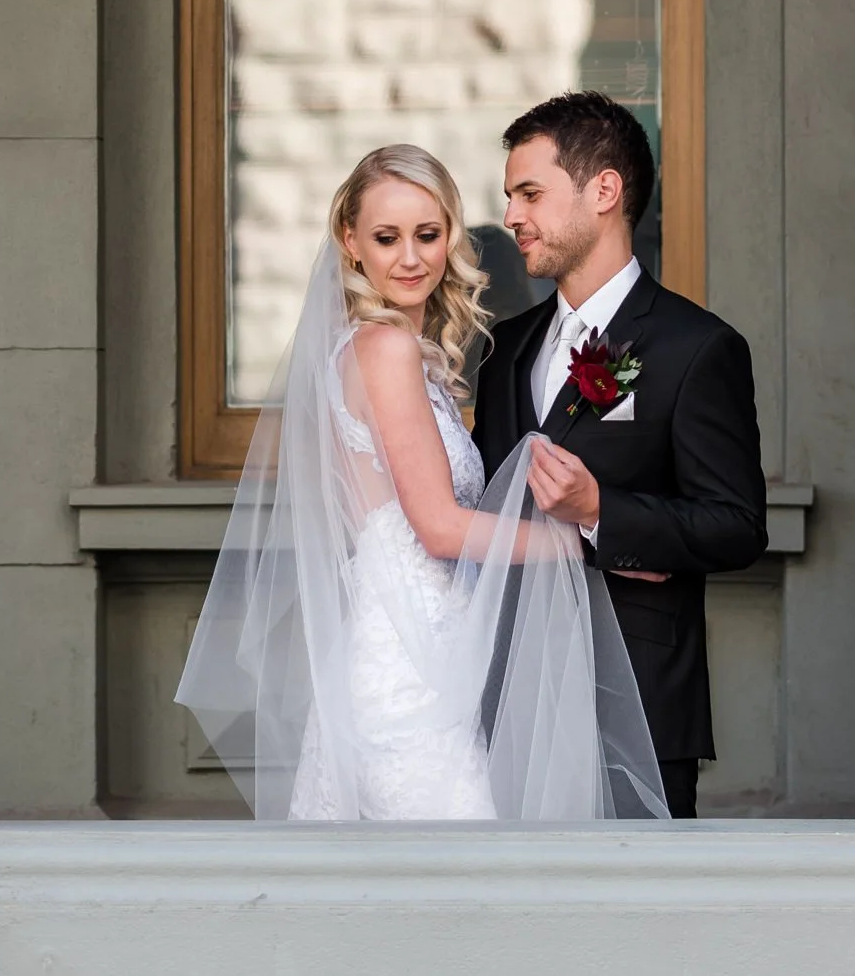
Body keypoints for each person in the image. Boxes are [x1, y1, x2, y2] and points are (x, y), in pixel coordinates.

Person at [177, 143, 670, 820]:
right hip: (408, 678)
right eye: (386, 237)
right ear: (350, 243)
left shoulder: (381, 351)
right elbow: (438, 526)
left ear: (451, 239)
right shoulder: (386, 349)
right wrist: (587, 544)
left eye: (428, 234)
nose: (410, 257)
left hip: (427, 657)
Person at [472, 93, 770, 819]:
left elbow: (736, 525)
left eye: (530, 193)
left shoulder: (697, 348)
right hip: (506, 696)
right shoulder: (505, 349)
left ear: (604, 190)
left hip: (635, 699)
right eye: (511, 196)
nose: (512, 216)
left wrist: (604, 512)